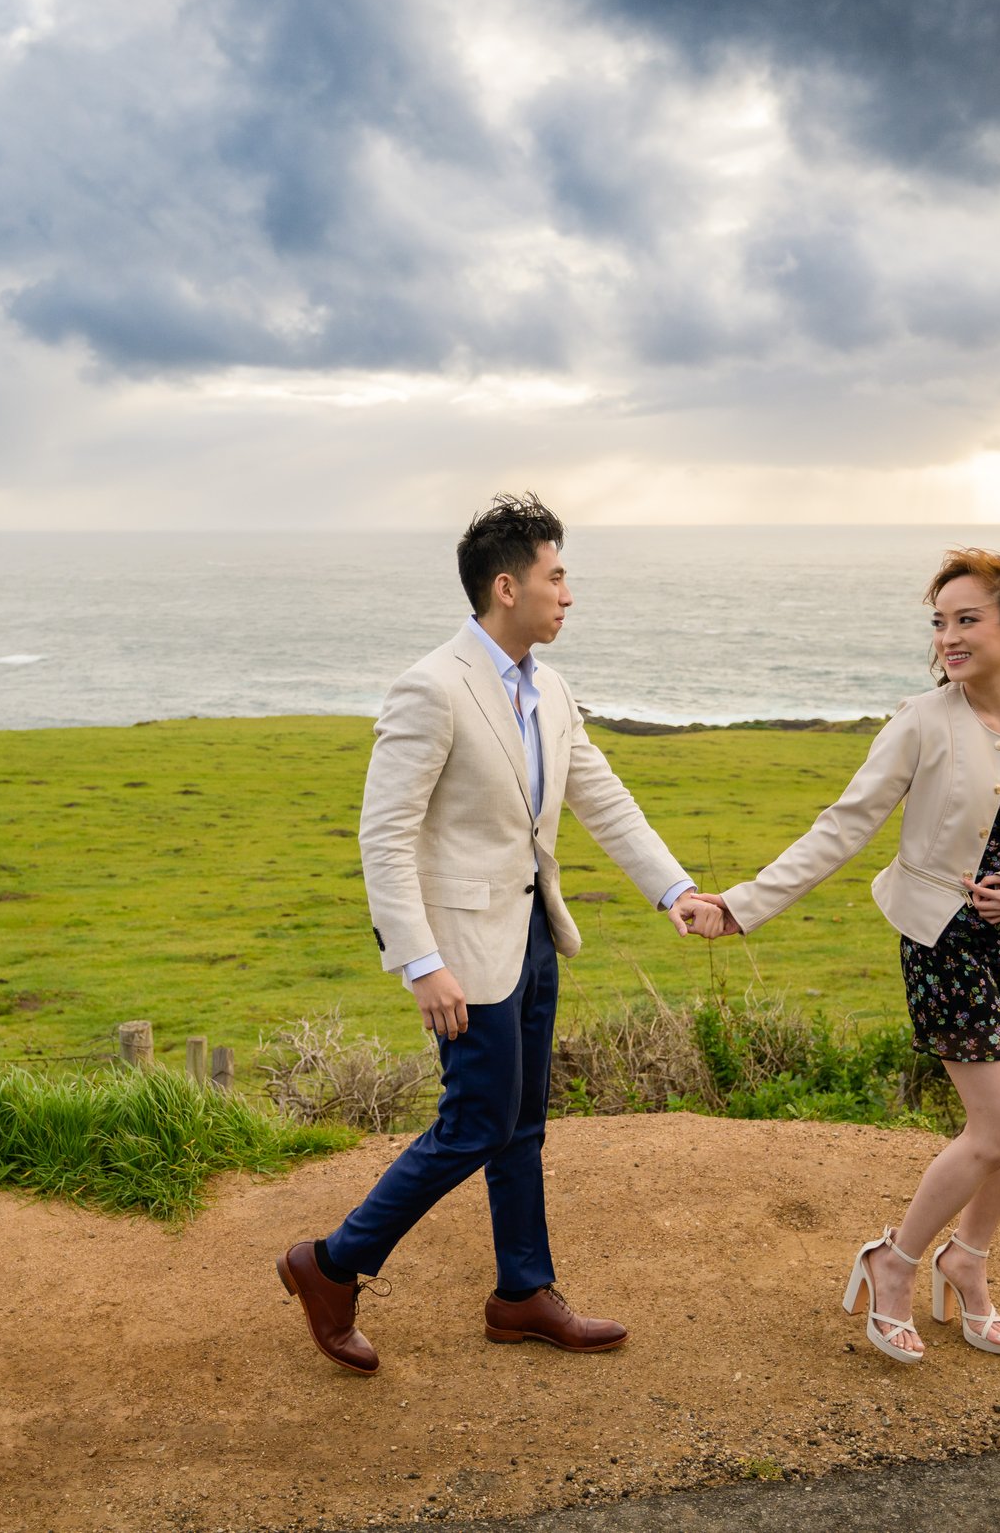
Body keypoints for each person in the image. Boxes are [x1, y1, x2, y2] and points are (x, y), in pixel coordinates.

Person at [277, 493, 724, 1375]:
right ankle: (329, 1264)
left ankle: (522, 1290)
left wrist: (673, 886)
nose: (569, 593)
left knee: (521, 1123)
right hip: (460, 956)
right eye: (557, 576)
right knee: (476, 1120)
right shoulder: (431, 686)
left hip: (531, 934)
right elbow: (385, 832)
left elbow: (602, 796)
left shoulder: (549, 688)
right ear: (508, 585)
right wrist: (420, 961)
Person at [684, 548, 1000, 1364]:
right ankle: (894, 1262)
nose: (948, 635)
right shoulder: (919, 720)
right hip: (941, 941)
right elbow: (843, 826)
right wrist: (742, 904)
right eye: (939, 621)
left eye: (967, 618)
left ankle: (968, 1262)